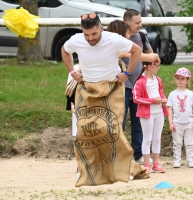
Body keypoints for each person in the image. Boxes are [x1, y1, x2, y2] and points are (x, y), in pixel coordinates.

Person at [61, 13, 148, 187]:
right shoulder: (76, 40)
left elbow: (136, 51)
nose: (90, 38)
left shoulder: (113, 39)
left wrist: (127, 74)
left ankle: (124, 169)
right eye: (86, 35)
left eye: (94, 34)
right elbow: (65, 50)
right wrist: (72, 72)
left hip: (111, 88)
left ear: (101, 28)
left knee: (112, 130)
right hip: (87, 88)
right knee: (85, 131)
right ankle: (89, 171)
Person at [122, 9, 154, 165]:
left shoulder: (141, 36)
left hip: (138, 87)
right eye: (137, 23)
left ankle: (138, 154)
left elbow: (152, 56)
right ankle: (119, 154)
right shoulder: (119, 38)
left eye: (140, 22)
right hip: (123, 87)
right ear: (127, 23)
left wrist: (146, 75)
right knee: (120, 122)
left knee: (138, 123)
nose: (140, 25)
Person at [132, 62, 168, 173]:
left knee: (157, 138)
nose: (159, 68)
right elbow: (136, 99)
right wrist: (152, 101)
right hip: (147, 114)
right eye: (157, 66)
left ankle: (156, 163)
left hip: (159, 112)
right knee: (147, 138)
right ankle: (147, 164)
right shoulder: (140, 82)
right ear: (149, 66)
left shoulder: (158, 79)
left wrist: (164, 99)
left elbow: (161, 92)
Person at [166, 68, 193, 168]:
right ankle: (177, 160)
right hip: (177, 122)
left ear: (187, 80)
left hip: (189, 122)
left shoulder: (191, 94)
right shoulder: (172, 94)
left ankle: (190, 160)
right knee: (177, 143)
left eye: (183, 78)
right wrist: (171, 123)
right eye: (178, 78)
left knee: (189, 143)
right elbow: (170, 109)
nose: (180, 80)